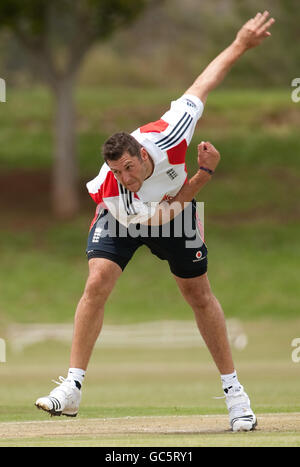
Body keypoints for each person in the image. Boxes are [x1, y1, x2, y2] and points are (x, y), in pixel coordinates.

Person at [35, 11, 275, 431]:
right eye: (118, 172)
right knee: (97, 281)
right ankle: (72, 387)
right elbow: (163, 213)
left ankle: (236, 395)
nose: (126, 178)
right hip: (134, 218)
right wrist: (204, 176)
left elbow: (203, 82)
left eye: (129, 168)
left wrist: (240, 43)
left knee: (198, 295)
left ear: (143, 154)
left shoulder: (171, 132)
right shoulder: (114, 191)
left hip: (175, 210)